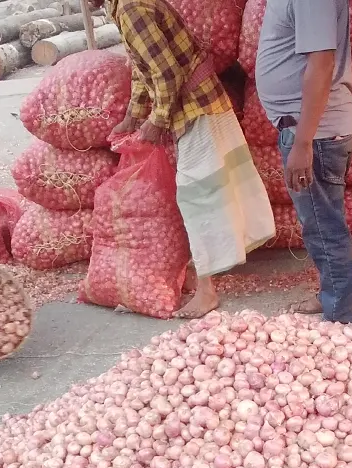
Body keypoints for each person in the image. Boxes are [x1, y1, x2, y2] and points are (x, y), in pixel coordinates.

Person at [95, 0, 275, 319]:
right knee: (207, 194)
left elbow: (166, 73)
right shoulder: (128, 6)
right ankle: (199, 272)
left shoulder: (131, 9)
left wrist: (157, 120)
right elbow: (142, 69)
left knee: (197, 201)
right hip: (202, 104)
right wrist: (133, 116)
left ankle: (207, 293)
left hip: (196, 111)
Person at [256, 0, 352, 326]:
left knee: (323, 227)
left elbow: (322, 63)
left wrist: (302, 143)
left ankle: (339, 320)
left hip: (314, 133)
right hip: (307, 129)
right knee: (319, 222)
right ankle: (331, 296)